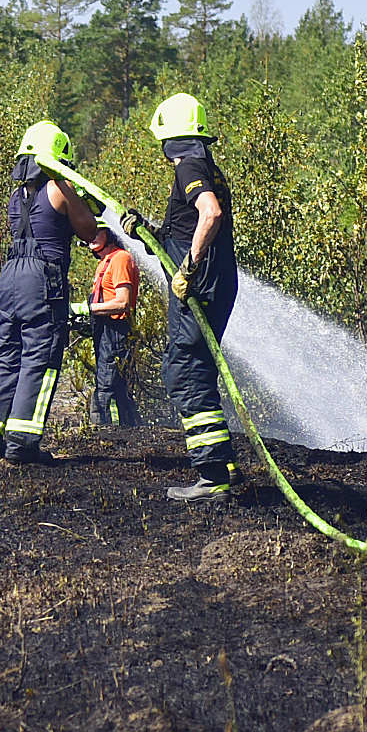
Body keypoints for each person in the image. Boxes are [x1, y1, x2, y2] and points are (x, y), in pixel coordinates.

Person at [0, 120, 90, 465]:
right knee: (40, 356)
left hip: (10, 280)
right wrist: (74, 193)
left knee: (6, 357)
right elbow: (87, 229)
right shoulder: (58, 188)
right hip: (42, 280)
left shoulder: (15, 195)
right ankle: (22, 443)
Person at [148, 92, 239, 499]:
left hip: (200, 284)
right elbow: (184, 230)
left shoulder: (189, 165)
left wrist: (187, 268)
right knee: (197, 368)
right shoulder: (206, 165)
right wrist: (145, 231)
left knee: (185, 371)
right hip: (215, 279)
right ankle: (225, 463)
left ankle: (212, 476)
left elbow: (210, 214)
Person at [85, 222, 140, 427]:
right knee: (110, 387)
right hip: (105, 332)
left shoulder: (120, 259)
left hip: (117, 333)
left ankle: (111, 436)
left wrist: (88, 309)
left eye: (96, 232)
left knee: (108, 388)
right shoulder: (105, 262)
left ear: (110, 234)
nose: (91, 236)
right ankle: (124, 433)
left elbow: (122, 302)